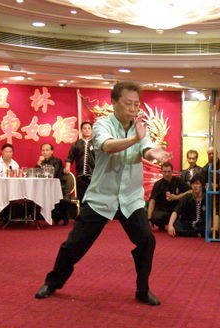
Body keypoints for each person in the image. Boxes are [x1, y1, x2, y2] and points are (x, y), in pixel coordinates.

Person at [34, 81, 172, 305]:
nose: (133, 108)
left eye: (136, 104)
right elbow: (107, 146)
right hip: (102, 197)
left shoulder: (139, 127)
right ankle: (52, 282)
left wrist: (154, 153)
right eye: (128, 103)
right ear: (114, 102)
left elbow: (146, 149)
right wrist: (135, 140)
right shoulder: (102, 125)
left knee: (147, 241)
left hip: (130, 198)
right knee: (74, 244)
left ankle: (143, 289)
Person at [148, 162, 189, 231]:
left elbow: (190, 191)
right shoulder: (158, 184)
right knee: (155, 218)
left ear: (172, 171)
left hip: (176, 210)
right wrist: (149, 219)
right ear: (161, 172)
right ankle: (162, 225)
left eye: (169, 171)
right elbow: (152, 201)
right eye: (164, 172)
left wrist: (177, 197)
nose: (167, 174)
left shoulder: (178, 181)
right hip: (162, 210)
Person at [36, 143, 69, 225]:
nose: (45, 152)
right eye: (43, 150)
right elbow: (36, 175)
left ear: (52, 151)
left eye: (47, 150)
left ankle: (62, 217)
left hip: (59, 187)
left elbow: (54, 175)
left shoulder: (57, 161)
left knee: (63, 200)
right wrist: (38, 164)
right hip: (44, 188)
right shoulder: (41, 162)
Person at [64, 121, 95, 202]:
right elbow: (70, 157)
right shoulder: (76, 144)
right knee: (81, 197)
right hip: (80, 175)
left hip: (94, 175)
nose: (87, 130)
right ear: (81, 130)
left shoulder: (96, 143)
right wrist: (67, 166)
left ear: (92, 130)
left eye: (89, 128)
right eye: (84, 128)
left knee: (92, 198)